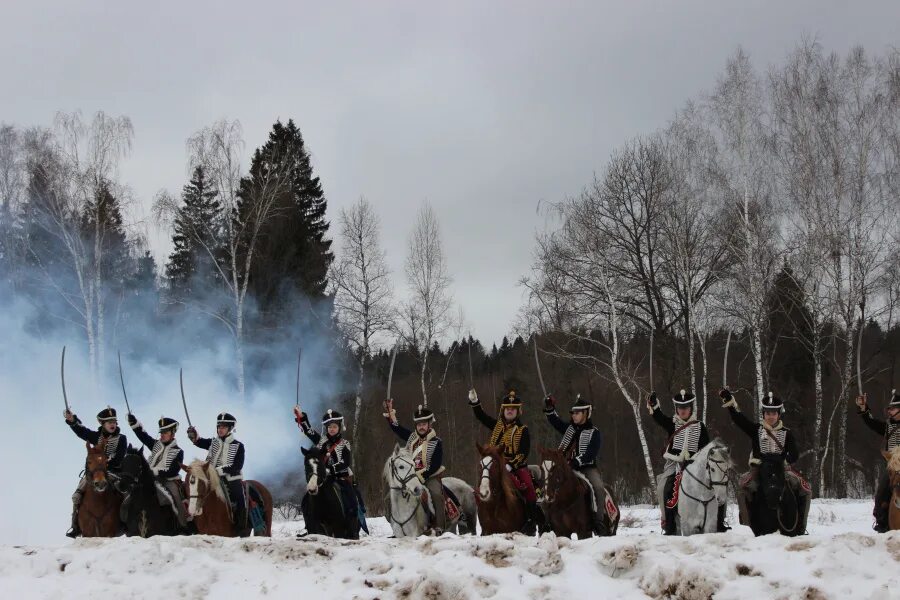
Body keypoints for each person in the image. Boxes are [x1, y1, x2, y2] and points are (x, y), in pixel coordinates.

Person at [720, 389, 810, 532]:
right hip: (759, 469)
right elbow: (739, 420)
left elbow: (794, 454)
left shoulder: (786, 433)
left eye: (774, 413)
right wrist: (730, 404)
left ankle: (800, 527)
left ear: (778, 414)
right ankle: (748, 523)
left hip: (782, 468)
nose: (771, 416)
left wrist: (785, 460)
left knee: (805, 488)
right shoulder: (756, 430)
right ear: (764, 414)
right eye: (768, 413)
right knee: (742, 488)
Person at [468, 388, 545, 533]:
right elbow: (481, 416)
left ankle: (530, 520)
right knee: (484, 481)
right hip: (496, 464)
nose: (510, 411)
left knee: (529, 488)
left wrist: (511, 465)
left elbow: (523, 452)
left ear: (518, 411)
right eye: (507, 409)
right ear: (503, 410)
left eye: (513, 409)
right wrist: (475, 402)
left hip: (516, 466)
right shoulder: (497, 426)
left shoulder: (523, 430)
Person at [647, 390, 723, 534]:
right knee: (664, 487)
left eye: (686, 408)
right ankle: (668, 524)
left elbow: (706, 449)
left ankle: (719, 522)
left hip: (696, 466)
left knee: (717, 486)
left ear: (691, 409)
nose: (683, 411)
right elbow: (659, 417)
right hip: (674, 464)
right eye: (680, 408)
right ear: (677, 409)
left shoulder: (700, 427)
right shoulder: (672, 424)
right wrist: (654, 404)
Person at [293, 405, 363, 538]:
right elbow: (309, 431)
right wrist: (301, 416)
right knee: (306, 501)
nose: (332, 429)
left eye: (334, 427)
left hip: (341, 478)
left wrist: (330, 469)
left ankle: (352, 528)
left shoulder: (344, 444)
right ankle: (310, 527)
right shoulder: (321, 441)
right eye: (329, 427)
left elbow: (345, 463)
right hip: (324, 479)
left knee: (352, 500)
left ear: (339, 427)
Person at [543, 393, 606, 534]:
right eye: (572, 413)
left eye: (577, 413)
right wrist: (549, 408)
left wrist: (576, 461)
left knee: (598, 487)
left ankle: (598, 520)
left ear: (586, 413)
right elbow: (555, 421)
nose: (573, 415)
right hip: (565, 468)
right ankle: (547, 521)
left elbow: (591, 452)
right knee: (549, 484)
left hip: (586, 468)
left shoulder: (594, 432)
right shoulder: (569, 429)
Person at [383, 399, 446, 533]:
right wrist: (390, 412)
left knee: (436, 495)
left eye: (424, 424)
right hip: (409, 477)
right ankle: (397, 524)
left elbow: (436, 464)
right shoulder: (412, 438)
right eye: (418, 425)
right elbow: (397, 428)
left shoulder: (436, 442)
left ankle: (439, 526)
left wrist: (422, 475)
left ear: (429, 424)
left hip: (429, 476)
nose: (421, 427)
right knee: (392, 494)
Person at [64, 406, 127, 537]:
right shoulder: (96, 436)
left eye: (114, 422)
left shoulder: (121, 438)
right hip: (93, 474)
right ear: (102, 423)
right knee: (77, 496)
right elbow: (81, 431)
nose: (112, 424)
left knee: (126, 495)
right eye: (109, 422)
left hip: (114, 473)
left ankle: (127, 523)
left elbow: (119, 457)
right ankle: (75, 525)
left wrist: (105, 465)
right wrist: (72, 420)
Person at [186, 412, 248, 536]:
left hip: (230, 479)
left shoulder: (238, 446)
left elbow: (237, 467)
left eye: (224, 427)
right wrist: (193, 436)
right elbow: (199, 442)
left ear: (230, 428)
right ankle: (191, 522)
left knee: (240, 498)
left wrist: (217, 471)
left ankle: (241, 527)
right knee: (194, 492)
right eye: (219, 427)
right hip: (211, 479)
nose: (220, 429)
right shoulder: (213, 442)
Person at [127, 413, 190, 531]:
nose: (162, 435)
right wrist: (134, 424)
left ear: (172, 433)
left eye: (165, 432)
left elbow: (173, 471)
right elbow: (143, 436)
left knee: (175, 497)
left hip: (168, 480)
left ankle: (183, 524)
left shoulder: (178, 451)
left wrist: (155, 472)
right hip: (149, 479)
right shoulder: (155, 444)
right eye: (161, 432)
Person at [855, 389, 900, 533]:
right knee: (882, 492)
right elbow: (871, 422)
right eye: (889, 409)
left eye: (893, 409)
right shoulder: (888, 427)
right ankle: (882, 521)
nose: (889, 412)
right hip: (893, 467)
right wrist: (863, 408)